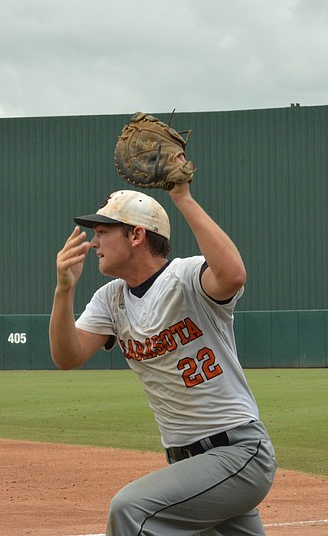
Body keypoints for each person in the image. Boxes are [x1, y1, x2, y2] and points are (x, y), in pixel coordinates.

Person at [50, 181, 277, 535]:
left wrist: (181, 197)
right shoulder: (111, 299)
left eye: (103, 232)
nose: (93, 243)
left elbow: (232, 275)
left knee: (131, 510)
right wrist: (63, 291)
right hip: (191, 467)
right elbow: (68, 356)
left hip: (237, 453)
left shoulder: (185, 277)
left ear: (136, 235)